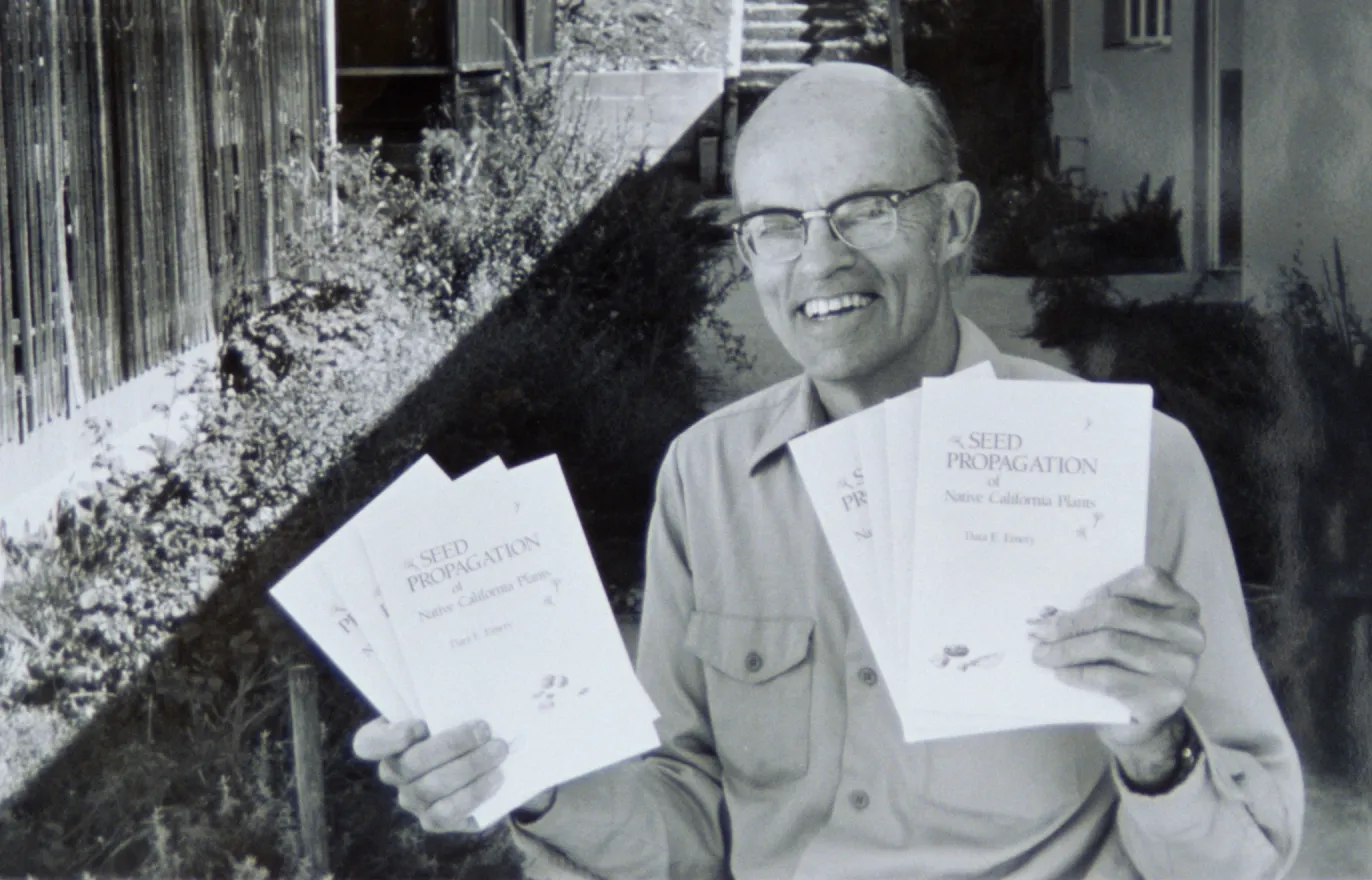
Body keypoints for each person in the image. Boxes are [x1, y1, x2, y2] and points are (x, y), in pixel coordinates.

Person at [353, 62, 1304, 879]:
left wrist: (1154, 747)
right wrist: (533, 776)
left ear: (953, 222)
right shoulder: (706, 475)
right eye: (777, 223)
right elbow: (689, 830)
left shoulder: (1136, 465)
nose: (819, 261)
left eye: (866, 210)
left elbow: (1249, 855)